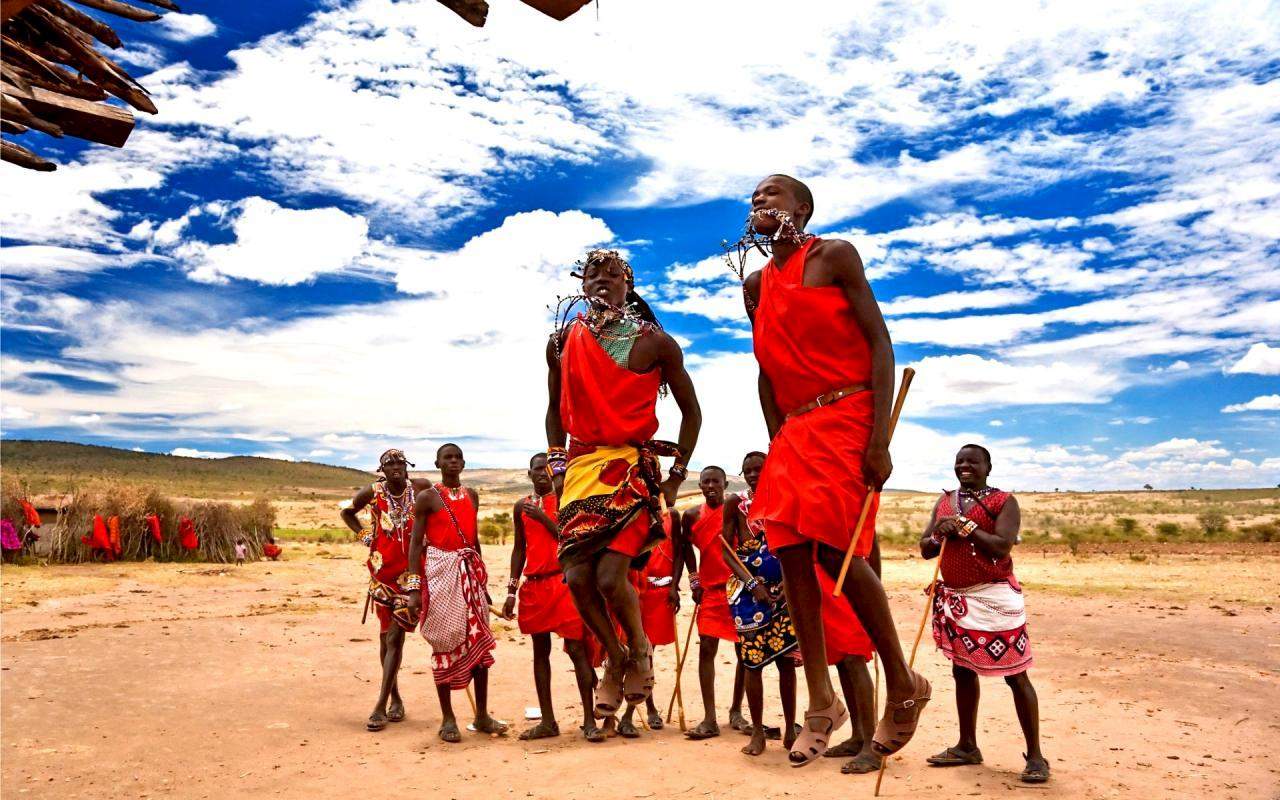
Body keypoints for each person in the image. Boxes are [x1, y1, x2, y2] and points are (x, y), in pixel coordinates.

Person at [739, 174, 929, 766]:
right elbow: (767, 370)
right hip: (795, 429)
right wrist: (777, 439)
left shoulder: (835, 256)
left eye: (773, 193)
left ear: (802, 208)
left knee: (831, 548)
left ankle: (903, 682)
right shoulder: (755, 285)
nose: (759, 200)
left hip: (847, 413)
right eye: (754, 195)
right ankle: (822, 698)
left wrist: (879, 440)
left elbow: (880, 344)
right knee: (791, 552)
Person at [545, 248, 701, 722]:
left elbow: (692, 413)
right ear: (581, 283)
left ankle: (638, 648)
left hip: (630, 468)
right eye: (592, 273)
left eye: (613, 274)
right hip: (580, 469)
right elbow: (553, 409)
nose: (601, 279)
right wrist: (556, 464)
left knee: (611, 577)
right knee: (577, 578)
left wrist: (676, 477)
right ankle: (615, 657)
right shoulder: (562, 341)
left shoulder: (656, 343)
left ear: (628, 286)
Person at [921, 444, 1048, 784]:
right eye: (959, 461)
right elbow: (925, 549)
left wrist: (964, 527)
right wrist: (940, 531)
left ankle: (1036, 756)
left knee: (1015, 674)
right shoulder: (944, 502)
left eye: (973, 461)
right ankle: (967, 746)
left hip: (994, 599)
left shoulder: (1003, 501)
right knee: (962, 671)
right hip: (958, 600)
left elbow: (1002, 545)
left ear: (988, 468)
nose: (964, 466)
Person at [407, 443, 506, 742]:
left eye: (457, 457)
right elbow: (416, 544)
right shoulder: (427, 497)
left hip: (470, 574)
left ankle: (482, 715)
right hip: (440, 572)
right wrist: (415, 589)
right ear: (437, 463)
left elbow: (474, 542)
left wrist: (481, 584)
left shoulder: (472, 495)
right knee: (444, 640)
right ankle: (448, 718)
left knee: (479, 642)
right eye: (447, 457)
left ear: (464, 463)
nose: (453, 461)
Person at [502, 452, 600, 741]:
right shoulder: (521, 506)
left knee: (578, 650)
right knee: (539, 652)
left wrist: (544, 519)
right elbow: (519, 549)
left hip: (564, 582)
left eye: (547, 469)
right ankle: (547, 721)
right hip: (534, 586)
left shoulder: (568, 501)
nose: (542, 473)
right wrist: (511, 590)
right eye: (537, 469)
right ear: (529, 474)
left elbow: (574, 540)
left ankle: (589, 721)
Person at [341, 449, 434, 731]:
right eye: (389, 464)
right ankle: (395, 698)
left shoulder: (421, 487)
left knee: (395, 637)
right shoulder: (372, 492)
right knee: (386, 639)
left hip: (412, 575)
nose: (395, 467)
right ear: (382, 470)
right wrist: (365, 536)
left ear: (407, 466)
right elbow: (347, 513)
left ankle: (380, 706)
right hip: (383, 575)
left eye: (399, 462)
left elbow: (437, 513)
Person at [720, 451, 798, 756]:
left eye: (759, 469)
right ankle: (757, 733)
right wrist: (753, 585)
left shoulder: (786, 499)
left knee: (786, 662)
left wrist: (788, 587)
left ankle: (790, 730)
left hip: (783, 592)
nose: (753, 475)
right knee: (752, 663)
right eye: (748, 471)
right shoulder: (736, 504)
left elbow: (794, 546)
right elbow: (727, 550)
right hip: (748, 594)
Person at [676, 465, 746, 739]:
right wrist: (693, 579)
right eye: (705, 482)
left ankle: (737, 711)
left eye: (716, 481)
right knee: (706, 649)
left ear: (725, 485)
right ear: (700, 486)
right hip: (710, 590)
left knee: (744, 652)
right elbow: (684, 547)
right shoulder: (692, 515)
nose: (710, 486)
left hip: (739, 589)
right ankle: (709, 718)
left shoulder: (736, 511)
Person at [617, 507, 681, 736]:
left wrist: (675, 586)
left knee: (646, 652)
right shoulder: (632, 511)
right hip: (634, 590)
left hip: (660, 594)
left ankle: (637, 711)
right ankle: (635, 712)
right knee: (637, 651)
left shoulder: (672, 516)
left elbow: (680, 552)